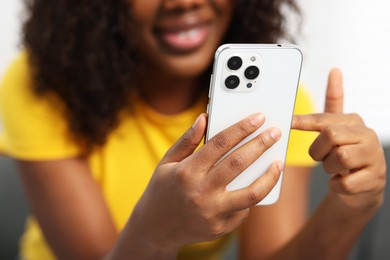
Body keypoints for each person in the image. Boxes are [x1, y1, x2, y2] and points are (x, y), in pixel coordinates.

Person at [0, 0, 385, 259]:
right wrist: (157, 230)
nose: (184, 1)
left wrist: (351, 206)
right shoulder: (41, 85)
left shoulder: (279, 100)